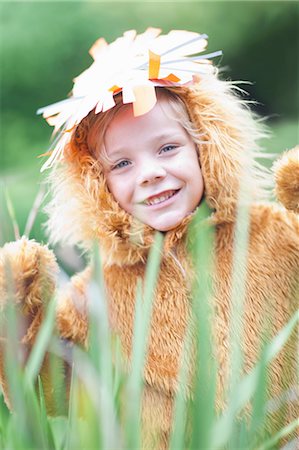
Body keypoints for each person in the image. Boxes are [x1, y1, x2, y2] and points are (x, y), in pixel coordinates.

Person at [0, 29, 298, 449]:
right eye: (122, 162)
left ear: (205, 147)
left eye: (167, 148)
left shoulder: (274, 233)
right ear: (96, 183)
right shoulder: (94, 298)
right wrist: (22, 320)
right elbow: (48, 391)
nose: (149, 172)